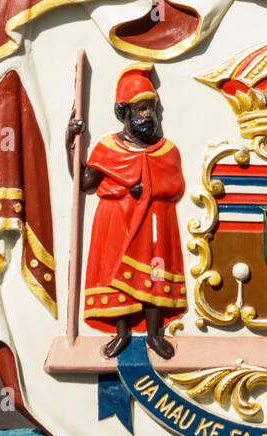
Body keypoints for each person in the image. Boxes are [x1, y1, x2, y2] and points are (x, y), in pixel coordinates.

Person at [66, 67, 186, 360]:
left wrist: (144, 188)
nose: (148, 115)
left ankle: (155, 335)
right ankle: (122, 333)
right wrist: (69, 142)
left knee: (154, 274)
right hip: (116, 224)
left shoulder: (166, 150)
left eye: (152, 108)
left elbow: (173, 186)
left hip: (155, 224)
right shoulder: (109, 149)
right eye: (141, 108)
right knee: (115, 273)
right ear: (125, 111)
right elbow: (84, 183)